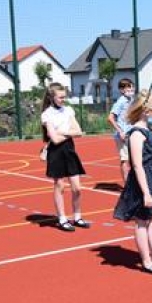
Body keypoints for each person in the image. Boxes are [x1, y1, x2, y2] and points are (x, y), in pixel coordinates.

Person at [113, 92, 152, 275]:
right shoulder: (136, 133)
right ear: (146, 111)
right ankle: (146, 261)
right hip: (145, 179)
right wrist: (146, 192)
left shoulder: (148, 129)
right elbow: (136, 165)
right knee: (142, 220)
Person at [41, 82, 89, 232]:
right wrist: (68, 133)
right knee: (60, 186)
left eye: (64, 97)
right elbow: (54, 140)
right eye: (60, 97)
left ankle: (77, 217)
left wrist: (62, 132)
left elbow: (79, 131)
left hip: (69, 150)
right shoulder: (47, 114)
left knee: (77, 188)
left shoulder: (68, 110)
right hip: (56, 152)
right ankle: (62, 218)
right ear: (52, 97)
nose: (63, 99)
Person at [107, 78, 135, 184]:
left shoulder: (131, 100)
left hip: (131, 133)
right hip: (122, 135)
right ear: (121, 90)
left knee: (134, 159)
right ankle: (127, 185)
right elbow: (110, 118)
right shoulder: (120, 102)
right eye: (128, 88)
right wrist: (120, 131)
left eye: (131, 88)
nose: (131, 90)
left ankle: (133, 182)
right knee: (125, 159)